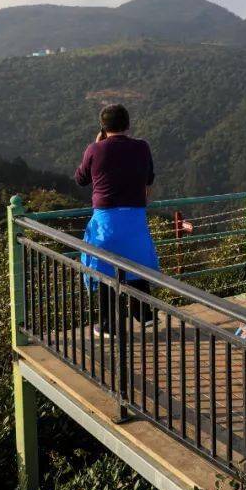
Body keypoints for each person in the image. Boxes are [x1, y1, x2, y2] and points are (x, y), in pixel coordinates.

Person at [74, 104, 158, 338]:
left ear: (103, 127)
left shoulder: (94, 149)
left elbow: (81, 179)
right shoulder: (142, 147)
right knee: (136, 262)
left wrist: (95, 144)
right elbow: (149, 178)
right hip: (135, 218)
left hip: (105, 220)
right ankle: (145, 314)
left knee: (103, 268)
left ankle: (109, 324)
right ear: (128, 125)